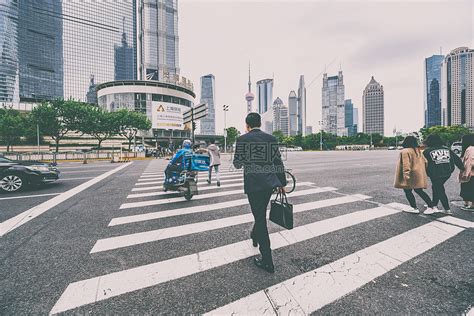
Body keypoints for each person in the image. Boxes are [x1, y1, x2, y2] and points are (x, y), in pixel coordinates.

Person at [233, 112, 287, 273]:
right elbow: (278, 161)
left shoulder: (242, 140)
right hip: (269, 184)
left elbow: (237, 164)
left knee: (260, 218)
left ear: (247, 125)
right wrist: (282, 183)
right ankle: (254, 235)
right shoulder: (271, 139)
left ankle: (267, 260)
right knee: (260, 213)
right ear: (260, 124)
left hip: (254, 185)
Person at [423, 134, 464, 215]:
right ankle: (434, 205)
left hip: (434, 173)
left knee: (439, 188)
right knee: (437, 187)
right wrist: (462, 168)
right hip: (447, 172)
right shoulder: (447, 149)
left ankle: (445, 209)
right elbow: (457, 159)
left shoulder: (427, 151)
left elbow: (423, 164)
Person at [394, 135, 435, 213]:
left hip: (410, 174)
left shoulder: (405, 151)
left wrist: (406, 175)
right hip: (418, 174)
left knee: (407, 191)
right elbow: (426, 162)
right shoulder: (418, 150)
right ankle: (431, 206)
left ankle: (414, 207)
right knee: (419, 190)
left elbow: (406, 164)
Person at [459, 134, 474, 211]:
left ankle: (471, 205)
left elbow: (469, 162)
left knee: (468, 189)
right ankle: (467, 204)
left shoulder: (470, 149)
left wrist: (466, 174)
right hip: (471, 173)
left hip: (471, 174)